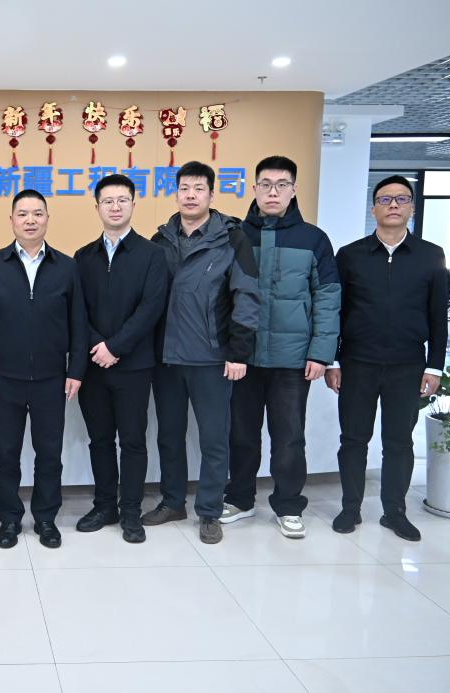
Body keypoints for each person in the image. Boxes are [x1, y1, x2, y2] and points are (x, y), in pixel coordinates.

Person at [222, 156, 340, 539]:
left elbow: (327, 297)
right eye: (265, 184)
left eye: (281, 184)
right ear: (254, 188)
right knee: (241, 433)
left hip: (293, 359)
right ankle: (240, 499)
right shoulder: (236, 235)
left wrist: (321, 352)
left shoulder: (313, 239)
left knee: (289, 437)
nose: (273, 192)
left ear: (293, 190)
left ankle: (288, 505)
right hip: (244, 357)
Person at [326, 174, 447, 542]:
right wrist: (333, 361)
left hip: (407, 365)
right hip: (357, 363)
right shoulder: (350, 255)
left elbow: (438, 316)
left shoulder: (430, 255)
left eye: (401, 198)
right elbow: (335, 311)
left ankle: (394, 512)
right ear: (373, 208)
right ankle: (350, 508)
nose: (393, 205)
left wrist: (435, 366)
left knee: (399, 442)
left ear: (412, 207)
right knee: (353, 439)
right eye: (385, 199)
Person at [147, 160, 260, 545]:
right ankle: (172, 501)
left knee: (214, 439)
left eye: (198, 189)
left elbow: (247, 296)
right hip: (167, 358)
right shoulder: (160, 241)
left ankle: (209, 511)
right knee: (169, 436)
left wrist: (239, 352)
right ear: (176, 193)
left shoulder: (232, 239)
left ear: (211, 194)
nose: (191, 195)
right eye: (184, 189)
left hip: (213, 358)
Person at [0, 189, 87, 549]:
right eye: (22, 214)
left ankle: (46, 518)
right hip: (4, 379)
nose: (30, 220)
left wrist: (76, 370)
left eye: (37, 213)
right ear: (11, 220)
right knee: (5, 454)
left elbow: (79, 323)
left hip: (52, 379)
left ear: (47, 219)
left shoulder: (66, 266)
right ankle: (9, 519)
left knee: (49, 454)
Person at [73, 174, 166, 544]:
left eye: (122, 200)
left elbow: (151, 307)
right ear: (97, 207)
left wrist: (116, 347)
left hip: (134, 366)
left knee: (132, 441)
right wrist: (98, 345)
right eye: (108, 201)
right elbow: (76, 311)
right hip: (93, 365)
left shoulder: (152, 254)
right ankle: (104, 506)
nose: (115, 207)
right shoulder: (83, 257)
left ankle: (130, 511)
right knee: (99, 440)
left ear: (133, 204)